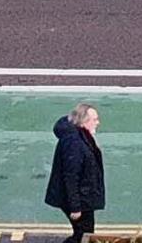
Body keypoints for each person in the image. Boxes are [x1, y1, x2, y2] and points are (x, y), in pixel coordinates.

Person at [45, 103, 105, 243]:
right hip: (80, 200)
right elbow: (71, 176)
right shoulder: (75, 143)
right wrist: (75, 207)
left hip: (84, 197)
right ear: (84, 121)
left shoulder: (81, 136)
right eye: (94, 119)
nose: (98, 122)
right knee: (84, 235)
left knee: (83, 234)